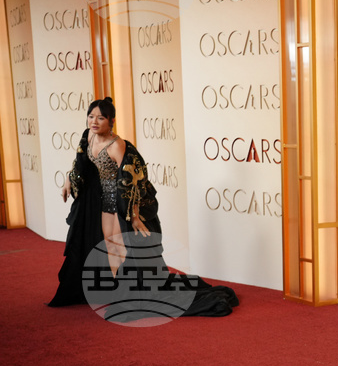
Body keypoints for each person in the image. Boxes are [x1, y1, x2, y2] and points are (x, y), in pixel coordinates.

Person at [49, 97, 238, 319]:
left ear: (111, 121)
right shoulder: (88, 137)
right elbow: (80, 162)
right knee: (107, 245)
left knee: (121, 247)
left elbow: (134, 179)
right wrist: (69, 181)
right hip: (101, 201)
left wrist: (135, 215)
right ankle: (117, 289)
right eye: (91, 117)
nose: (94, 121)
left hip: (121, 202)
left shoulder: (117, 146)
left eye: (100, 118)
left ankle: (128, 293)